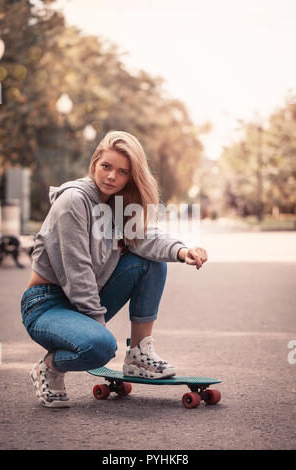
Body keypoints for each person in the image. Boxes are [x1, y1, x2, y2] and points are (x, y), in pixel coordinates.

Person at [21, 130, 208, 408]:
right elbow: (77, 271)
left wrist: (183, 251)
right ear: (95, 162)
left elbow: (146, 239)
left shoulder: (117, 205)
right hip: (46, 305)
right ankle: (49, 367)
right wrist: (96, 333)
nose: (111, 177)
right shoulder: (74, 201)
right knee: (100, 347)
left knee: (150, 261)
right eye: (106, 167)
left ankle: (138, 355)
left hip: (81, 301)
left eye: (122, 172)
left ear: (130, 177)